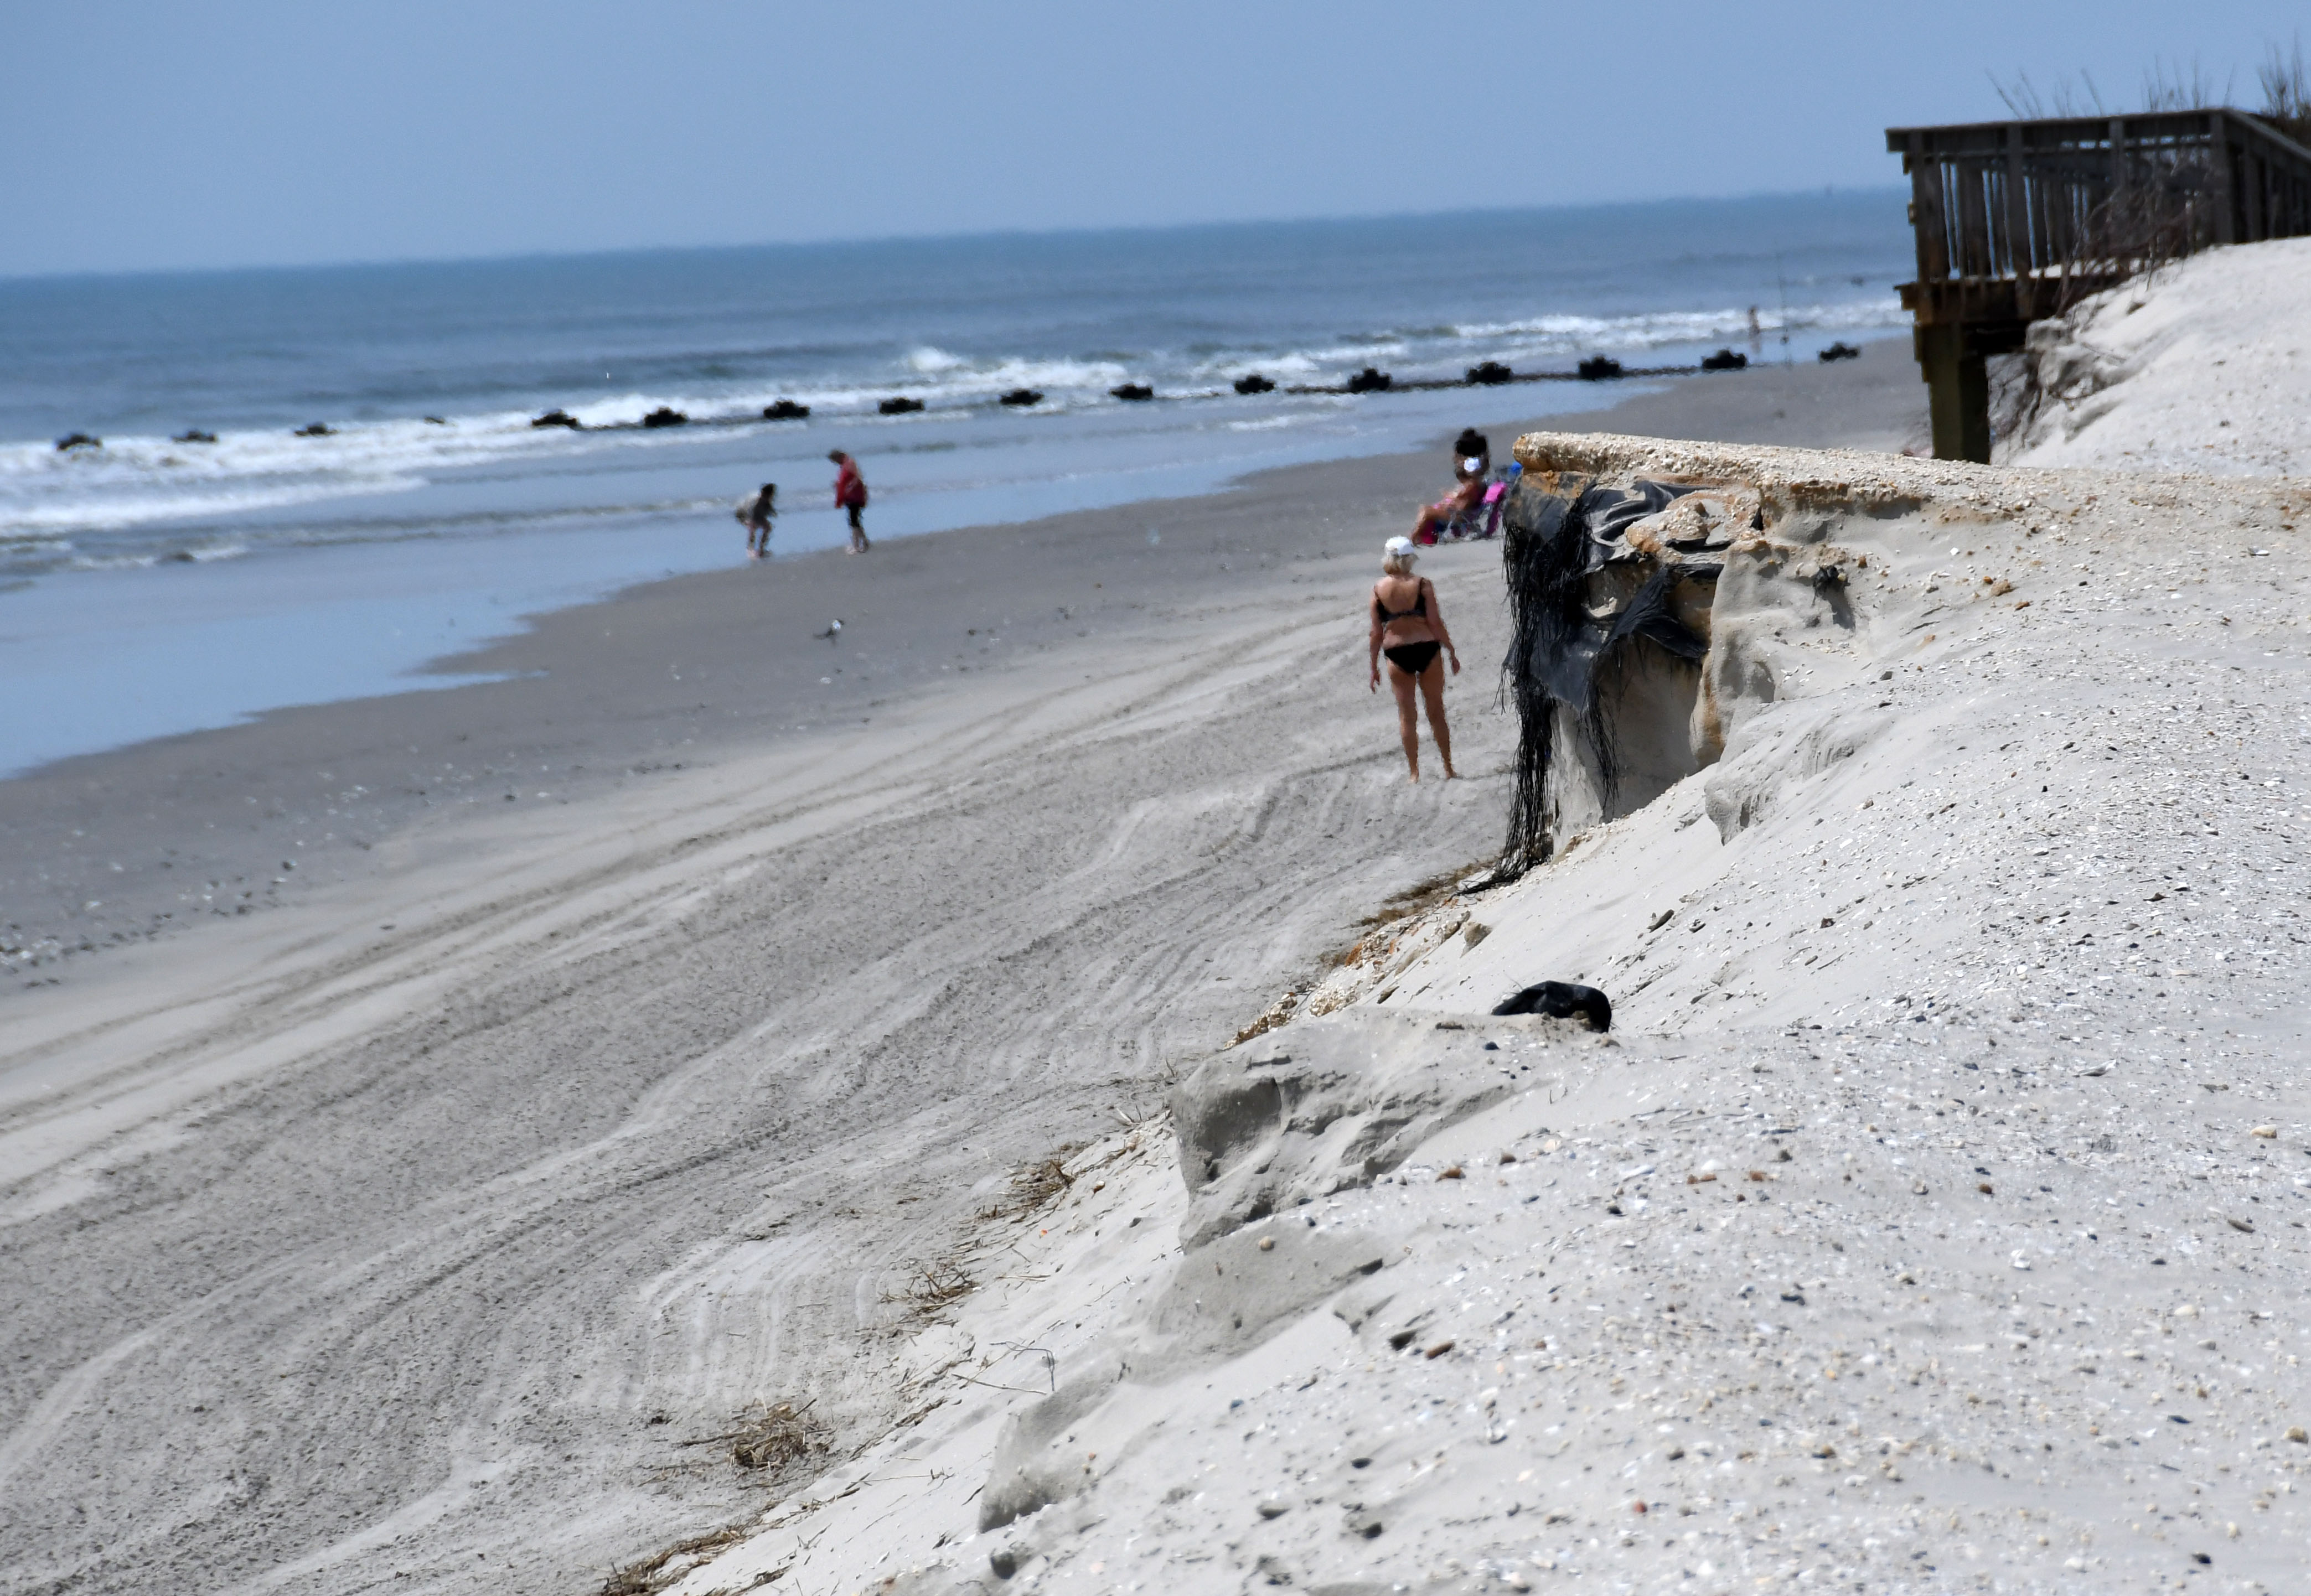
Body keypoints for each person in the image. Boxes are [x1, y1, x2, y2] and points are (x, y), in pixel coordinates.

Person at [1368, 535, 1460, 781]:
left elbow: (1376, 633)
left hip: (1396, 651)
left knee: (1407, 715)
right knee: (1436, 711)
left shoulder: (1378, 590)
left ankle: (1414, 773)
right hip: (1427, 647)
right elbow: (1435, 622)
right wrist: (1450, 649)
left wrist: (1373, 667)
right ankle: (1448, 768)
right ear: (1410, 558)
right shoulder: (1422, 585)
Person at [829, 450, 870, 553]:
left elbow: (856, 479)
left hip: (854, 497)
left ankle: (856, 546)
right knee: (855, 520)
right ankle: (864, 542)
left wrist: (846, 490)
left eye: (835, 461)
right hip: (853, 496)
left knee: (853, 521)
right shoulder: (847, 464)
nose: (836, 464)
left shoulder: (849, 464)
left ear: (839, 458)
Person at [738, 481, 777, 558]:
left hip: (759, 517)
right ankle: (750, 549)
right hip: (748, 516)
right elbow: (748, 511)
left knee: (768, 528)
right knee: (752, 531)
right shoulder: (756, 501)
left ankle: (761, 549)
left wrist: (773, 512)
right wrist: (747, 520)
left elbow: (769, 508)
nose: (769, 498)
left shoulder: (767, 501)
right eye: (767, 495)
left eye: (770, 496)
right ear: (763, 493)